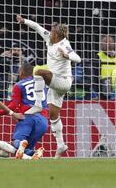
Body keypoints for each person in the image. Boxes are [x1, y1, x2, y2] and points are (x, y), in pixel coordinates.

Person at [16, 14, 81, 158]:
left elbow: (78, 58)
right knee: (53, 115)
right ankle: (61, 145)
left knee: (38, 71)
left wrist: (67, 56)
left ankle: (38, 103)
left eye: (51, 31)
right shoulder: (49, 39)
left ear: (57, 34)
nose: (49, 32)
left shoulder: (64, 45)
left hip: (63, 81)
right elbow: (37, 27)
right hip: (55, 83)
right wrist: (24, 21)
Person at [0, 63, 48, 159]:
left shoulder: (19, 85)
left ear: (21, 73)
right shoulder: (43, 85)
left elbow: (13, 106)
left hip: (28, 117)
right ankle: (34, 153)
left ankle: (31, 150)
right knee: (24, 151)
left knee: (16, 143)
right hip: (43, 121)